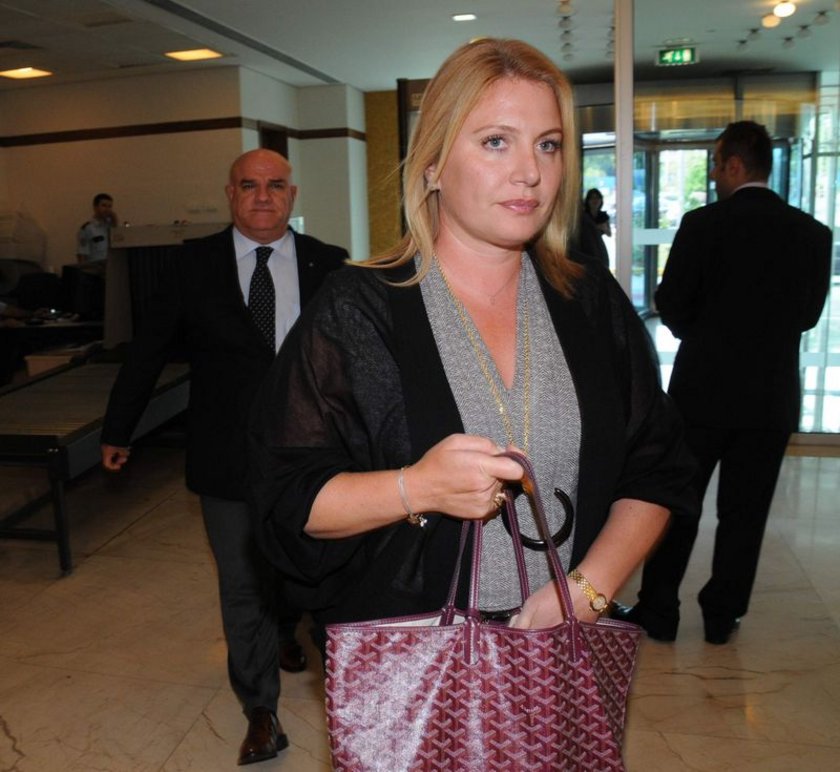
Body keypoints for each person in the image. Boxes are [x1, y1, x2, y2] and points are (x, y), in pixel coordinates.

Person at [248, 39, 695, 661]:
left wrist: (587, 592)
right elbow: (288, 501)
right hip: (411, 661)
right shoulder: (357, 311)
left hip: (566, 649)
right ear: (432, 164)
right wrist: (417, 487)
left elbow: (657, 466)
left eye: (548, 144)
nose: (530, 172)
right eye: (496, 142)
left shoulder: (590, 301)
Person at [99, 149, 347, 765]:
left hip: (312, 458)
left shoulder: (330, 264)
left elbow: (355, 361)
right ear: (231, 194)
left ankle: (289, 633)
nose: (263, 196)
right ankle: (261, 710)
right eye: (249, 185)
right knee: (240, 581)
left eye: (275, 185)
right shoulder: (193, 264)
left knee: (306, 569)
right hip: (225, 455)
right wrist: (118, 429)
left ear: (292, 195)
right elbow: (148, 351)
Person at [613, 121, 832, 645]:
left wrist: (704, 336)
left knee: (678, 501)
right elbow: (808, 315)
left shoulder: (702, 224)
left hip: (701, 393)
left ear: (734, 164)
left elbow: (671, 302)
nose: (713, 174)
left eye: (716, 163)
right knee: (746, 512)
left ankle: (659, 609)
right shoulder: (812, 234)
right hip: (771, 396)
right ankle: (721, 616)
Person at [77, 193, 118, 264]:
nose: (107, 209)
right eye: (104, 205)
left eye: (110, 206)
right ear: (95, 207)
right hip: (95, 268)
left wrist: (115, 221)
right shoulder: (87, 228)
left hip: (112, 267)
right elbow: (82, 254)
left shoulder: (111, 227)